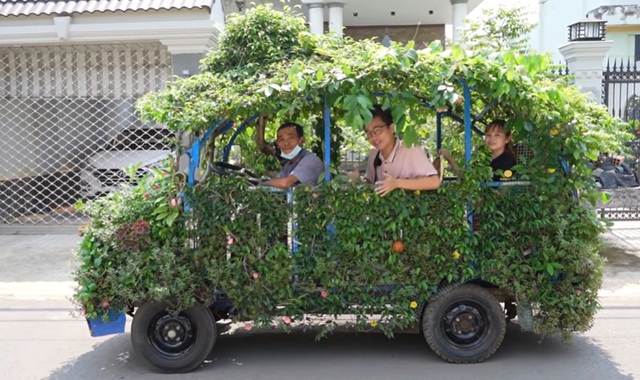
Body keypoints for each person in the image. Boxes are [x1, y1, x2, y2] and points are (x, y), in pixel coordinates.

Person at [363, 105, 440, 196]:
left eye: (377, 130)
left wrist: (396, 183)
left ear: (391, 128)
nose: (373, 137)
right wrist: (356, 180)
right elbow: (369, 182)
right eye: (368, 133)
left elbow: (434, 182)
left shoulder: (411, 149)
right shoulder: (374, 154)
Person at [439, 119, 517, 181]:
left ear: (507, 138)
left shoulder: (509, 162)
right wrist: (449, 159)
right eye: (488, 135)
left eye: (497, 135)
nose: (491, 139)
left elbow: (503, 192)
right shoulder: (482, 158)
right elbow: (467, 176)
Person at [261, 122, 324, 188]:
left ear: (301, 140)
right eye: (281, 139)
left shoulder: (311, 160)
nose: (286, 143)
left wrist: (259, 183)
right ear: (277, 144)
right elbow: (278, 181)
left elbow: (284, 183)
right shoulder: (288, 165)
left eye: (291, 138)